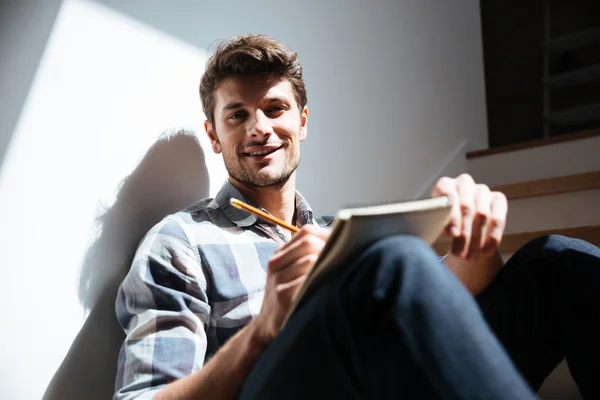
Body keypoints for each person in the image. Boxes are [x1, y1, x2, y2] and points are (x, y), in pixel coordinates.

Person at [114, 34, 600, 400]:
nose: (259, 128)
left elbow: (453, 293)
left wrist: (475, 239)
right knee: (391, 259)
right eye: (237, 115)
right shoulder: (181, 241)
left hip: (389, 379)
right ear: (215, 135)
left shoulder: (340, 235)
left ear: (302, 122)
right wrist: (262, 332)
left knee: (553, 261)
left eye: (275, 108)